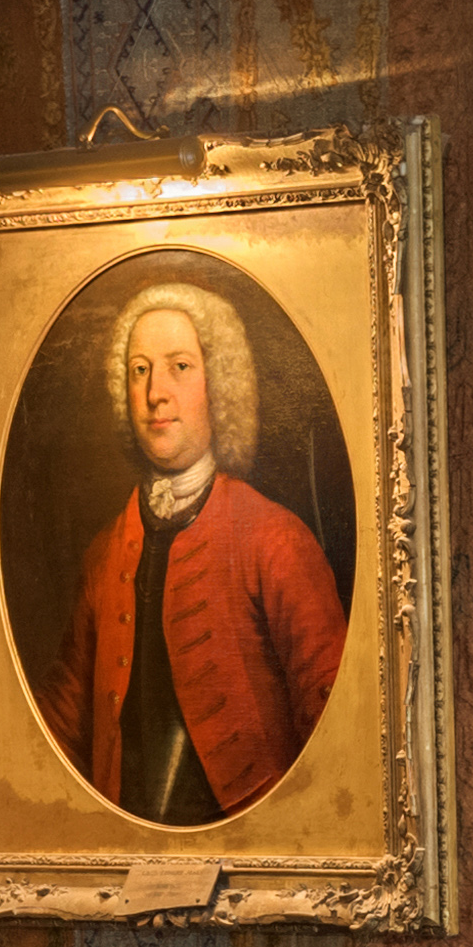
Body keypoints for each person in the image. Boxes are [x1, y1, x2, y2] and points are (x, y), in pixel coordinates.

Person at [53, 278, 342, 822]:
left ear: (220, 383)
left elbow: (335, 719)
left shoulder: (274, 539)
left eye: (179, 366)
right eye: (140, 370)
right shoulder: (106, 552)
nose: (154, 392)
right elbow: (64, 716)